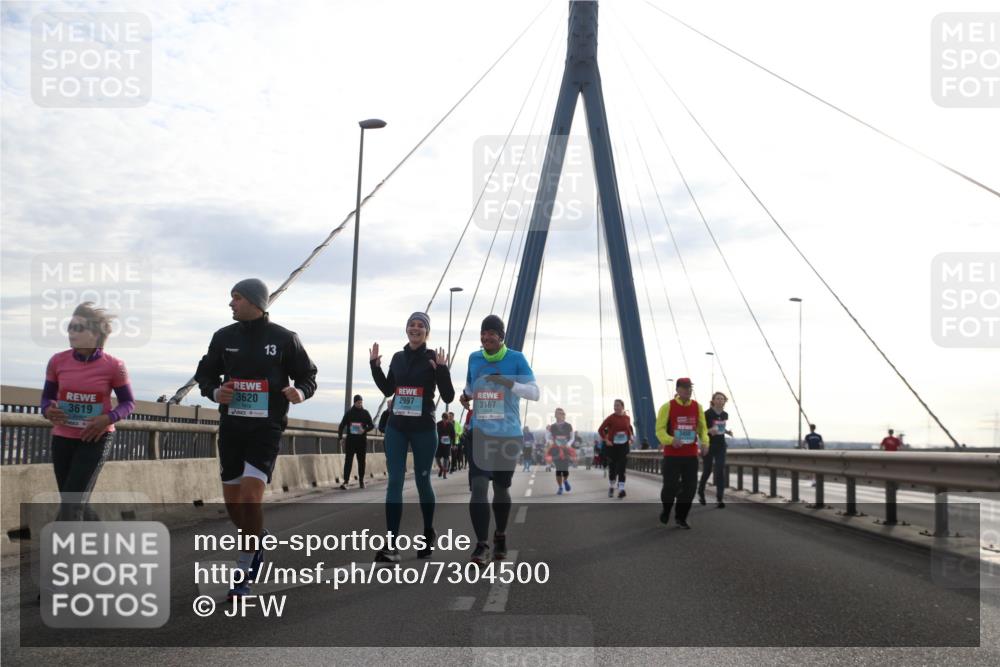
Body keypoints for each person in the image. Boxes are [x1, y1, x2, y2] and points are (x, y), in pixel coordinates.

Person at [195, 279, 317, 597]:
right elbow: (205, 374)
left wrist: (300, 391)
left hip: (266, 428)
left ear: (254, 301)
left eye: (235, 298)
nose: (231, 304)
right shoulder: (223, 337)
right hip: (232, 428)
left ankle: (245, 568)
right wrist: (214, 391)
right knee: (234, 505)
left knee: (250, 498)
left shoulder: (284, 338)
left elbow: (308, 375)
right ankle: (256, 536)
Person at [370, 312, 454, 562]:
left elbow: (448, 396)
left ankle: (428, 532)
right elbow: (388, 389)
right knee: (394, 481)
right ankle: (392, 544)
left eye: (420, 326)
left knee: (422, 481)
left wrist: (441, 371)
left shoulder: (432, 359)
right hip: (397, 425)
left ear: (427, 332)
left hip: (424, 429)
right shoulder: (397, 357)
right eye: (411, 325)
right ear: (406, 329)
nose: (415, 329)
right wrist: (375, 367)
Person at [41, 303, 136, 522]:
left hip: (96, 438)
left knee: (72, 504)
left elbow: (128, 403)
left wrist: (107, 418)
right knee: (72, 500)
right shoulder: (57, 361)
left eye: (78, 328)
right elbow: (47, 398)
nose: (71, 332)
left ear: (95, 334)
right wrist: (48, 410)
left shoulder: (114, 366)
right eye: (70, 327)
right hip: (63, 438)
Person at [459, 315, 539, 564]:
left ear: (501, 336)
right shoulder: (474, 358)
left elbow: (534, 392)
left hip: (507, 435)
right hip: (480, 433)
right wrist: (466, 396)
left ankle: (500, 535)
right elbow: (471, 387)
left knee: (501, 488)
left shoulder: (516, 359)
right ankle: (481, 545)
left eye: (491, 333)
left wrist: (508, 383)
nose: (486, 337)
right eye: (483, 333)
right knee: (479, 486)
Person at [655, 378, 708, 529]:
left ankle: (681, 517)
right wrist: (671, 440)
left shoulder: (697, 407)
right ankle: (666, 510)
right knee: (670, 487)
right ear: (677, 390)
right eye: (684, 388)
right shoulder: (667, 407)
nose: (688, 390)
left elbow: (703, 429)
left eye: (690, 388)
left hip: (691, 455)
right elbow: (659, 430)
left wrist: (705, 442)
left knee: (690, 489)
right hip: (672, 455)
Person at [698, 392, 733, 508]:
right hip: (708, 445)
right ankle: (701, 492)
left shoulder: (725, 414)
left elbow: (720, 427)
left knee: (720, 471)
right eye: (717, 398)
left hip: (721, 446)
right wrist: (709, 431)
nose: (719, 400)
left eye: (722, 399)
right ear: (713, 401)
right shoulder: (706, 414)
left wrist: (727, 432)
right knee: (707, 471)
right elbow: (701, 430)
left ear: (724, 401)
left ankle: (719, 498)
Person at [598, 399, 634, 498]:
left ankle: (622, 489)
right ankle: (611, 487)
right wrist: (606, 440)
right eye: (615, 406)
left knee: (622, 468)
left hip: (624, 446)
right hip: (613, 447)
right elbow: (600, 430)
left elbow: (628, 429)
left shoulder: (627, 418)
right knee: (613, 469)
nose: (616, 407)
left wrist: (631, 438)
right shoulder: (610, 418)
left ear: (622, 407)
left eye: (618, 405)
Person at [338, 394, 374, 489]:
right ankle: (346, 481)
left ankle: (361, 481)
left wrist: (364, 430)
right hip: (351, 441)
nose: (360, 404)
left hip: (361, 442)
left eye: (361, 402)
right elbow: (341, 426)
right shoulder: (349, 413)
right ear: (354, 402)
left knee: (361, 462)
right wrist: (340, 438)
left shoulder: (365, 413)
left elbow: (372, 425)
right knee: (348, 461)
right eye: (358, 402)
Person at [545, 408, 575, 494]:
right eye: (558, 413)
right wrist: (550, 442)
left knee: (565, 469)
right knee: (558, 469)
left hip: (566, 450)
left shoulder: (568, 426)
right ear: (555, 415)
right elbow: (548, 437)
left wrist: (568, 444)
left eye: (562, 414)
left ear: (564, 415)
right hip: (556, 450)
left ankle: (565, 481)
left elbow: (572, 437)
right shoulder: (552, 426)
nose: (560, 415)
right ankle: (560, 487)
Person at [436, 411, 456, 478]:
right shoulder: (438, 424)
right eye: (444, 419)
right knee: (437, 458)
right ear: (442, 418)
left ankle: (444, 473)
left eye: (446, 419)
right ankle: (441, 468)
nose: (445, 420)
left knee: (446, 458)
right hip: (439, 444)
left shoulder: (450, 425)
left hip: (447, 444)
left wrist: (453, 444)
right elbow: (435, 433)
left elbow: (453, 435)